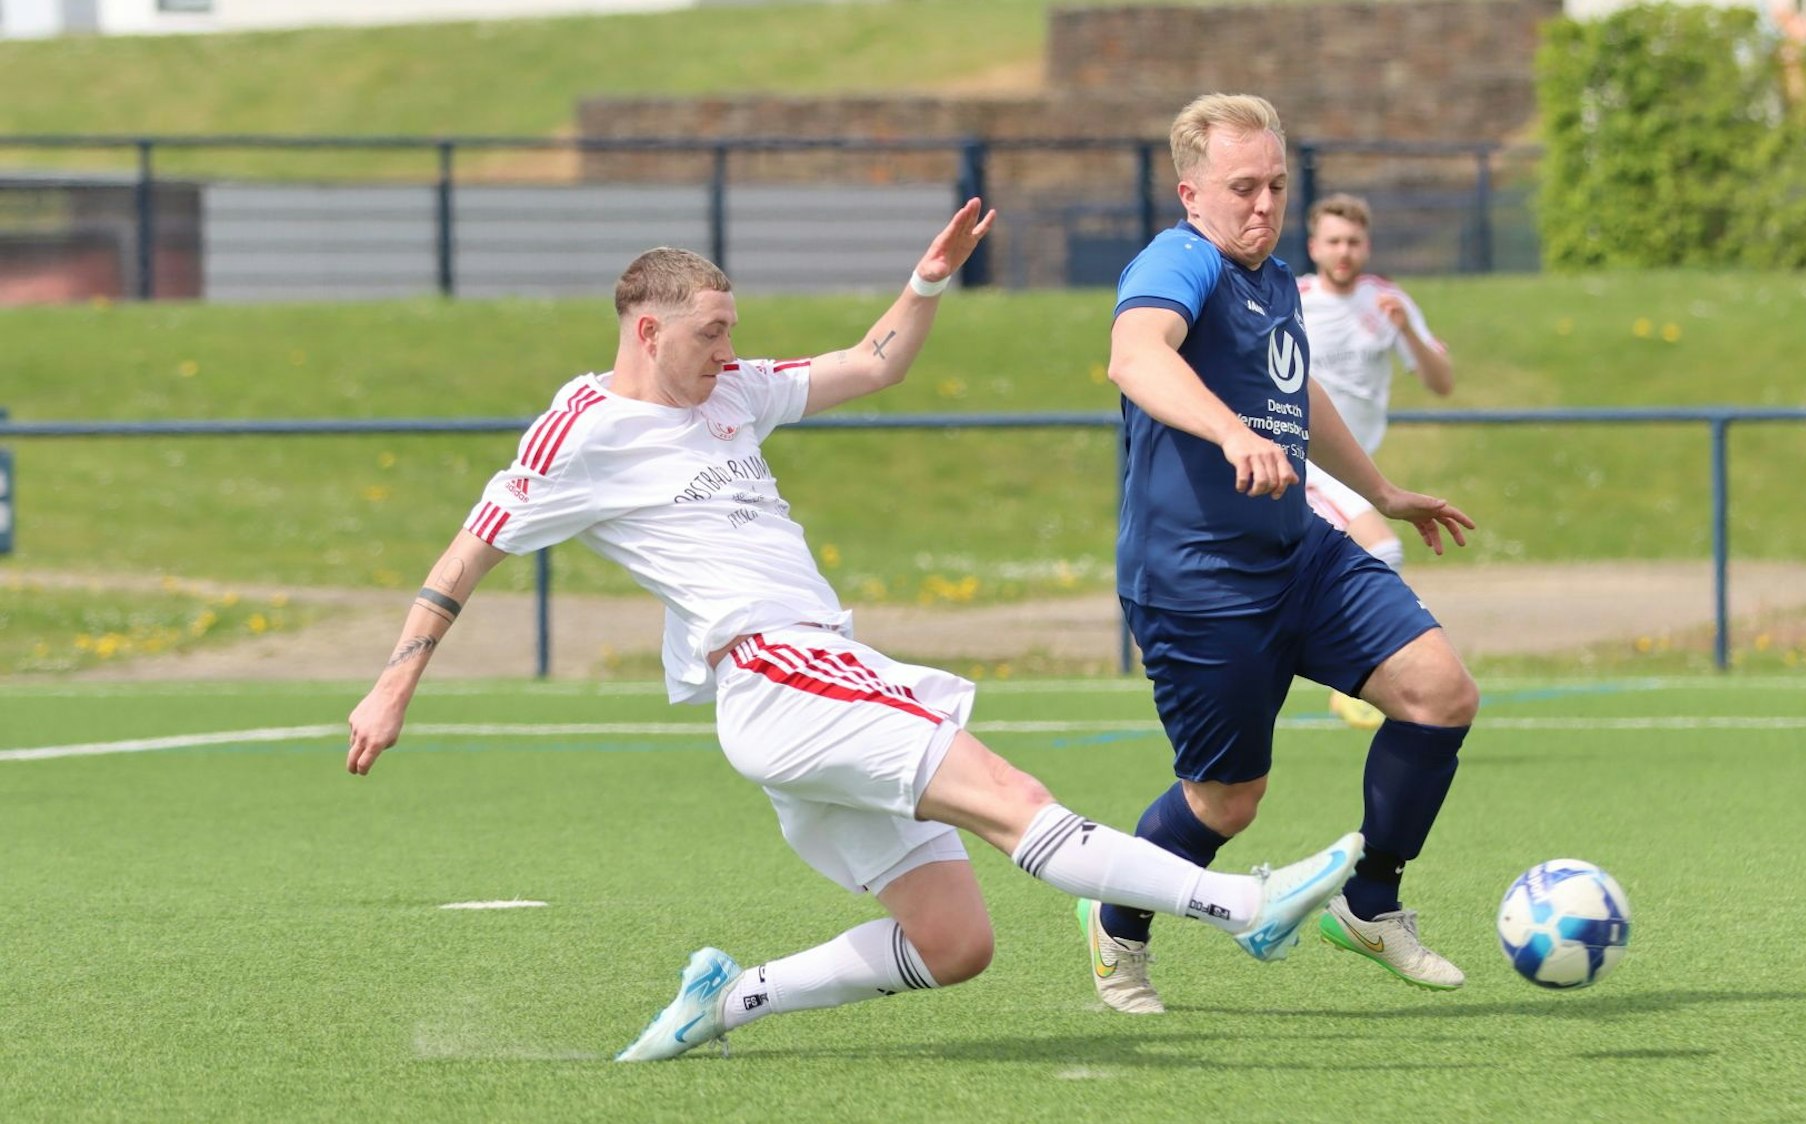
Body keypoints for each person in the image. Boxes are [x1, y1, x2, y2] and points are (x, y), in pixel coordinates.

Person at [344, 198, 1366, 1062]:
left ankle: (728, 996)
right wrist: (394, 684)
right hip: (779, 669)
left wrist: (923, 284)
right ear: (647, 331)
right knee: (1013, 799)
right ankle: (1244, 903)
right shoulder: (583, 427)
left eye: (732, 329)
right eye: (711, 332)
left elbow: (870, 364)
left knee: (953, 940)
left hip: (808, 684)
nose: (729, 349)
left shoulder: (732, 392)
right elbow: (467, 551)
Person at [1082, 94, 1481, 1014]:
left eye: (1276, 186)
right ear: (1191, 193)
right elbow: (1136, 355)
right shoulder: (1180, 259)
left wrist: (1381, 492)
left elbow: (1298, 402)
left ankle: (1369, 902)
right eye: (1242, 188)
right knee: (1227, 804)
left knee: (1441, 692)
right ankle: (1115, 926)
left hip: (1300, 554)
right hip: (1199, 585)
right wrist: (1228, 435)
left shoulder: (1274, 280)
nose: (1263, 206)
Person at [1297, 192, 1456, 730]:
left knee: (1310, 573)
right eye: (1334, 240)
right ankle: (1359, 678)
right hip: (1303, 460)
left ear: (1366, 246)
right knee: (1383, 547)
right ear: (1314, 245)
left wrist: (1406, 331)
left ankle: (1327, 659)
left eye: (1354, 241)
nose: (1344, 251)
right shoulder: (1290, 299)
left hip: (1354, 466)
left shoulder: (1388, 300)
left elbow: (1442, 382)